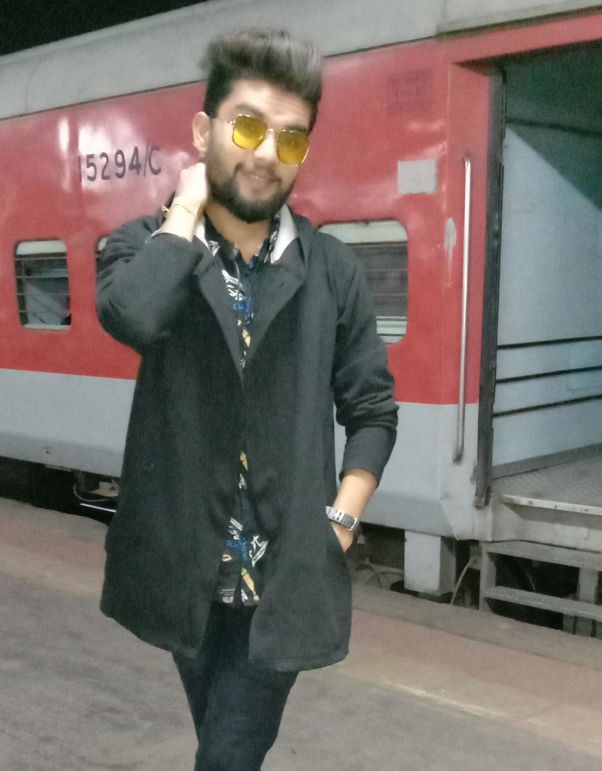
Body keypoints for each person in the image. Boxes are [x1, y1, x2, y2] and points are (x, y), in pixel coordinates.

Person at [96, 28, 397, 771]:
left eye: (291, 139)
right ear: (205, 132)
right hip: (186, 578)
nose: (267, 154)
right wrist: (182, 216)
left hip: (286, 581)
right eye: (249, 127)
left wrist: (339, 523)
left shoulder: (330, 270)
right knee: (223, 743)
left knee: (227, 755)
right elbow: (133, 318)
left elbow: (372, 409)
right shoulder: (146, 247)